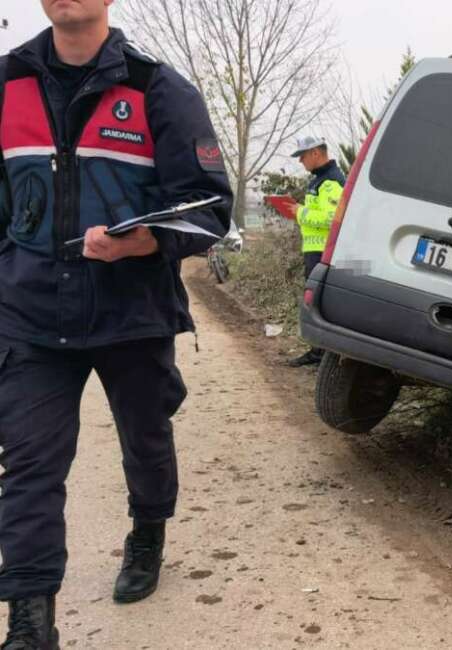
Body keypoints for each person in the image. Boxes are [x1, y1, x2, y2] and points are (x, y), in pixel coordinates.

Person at [0, 1, 233, 647]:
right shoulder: (6, 82)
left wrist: (144, 244)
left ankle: (148, 533)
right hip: (30, 313)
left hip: (132, 312)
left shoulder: (160, 89)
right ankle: (29, 617)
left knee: (147, 441)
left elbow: (211, 207)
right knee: (29, 466)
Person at [286, 136, 345, 367]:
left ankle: (321, 355)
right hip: (314, 249)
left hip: (323, 252)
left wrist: (300, 212)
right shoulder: (319, 180)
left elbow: (332, 219)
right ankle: (317, 352)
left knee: (318, 302)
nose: (301, 161)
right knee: (314, 302)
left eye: (302, 156)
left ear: (316, 153)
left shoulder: (331, 181)